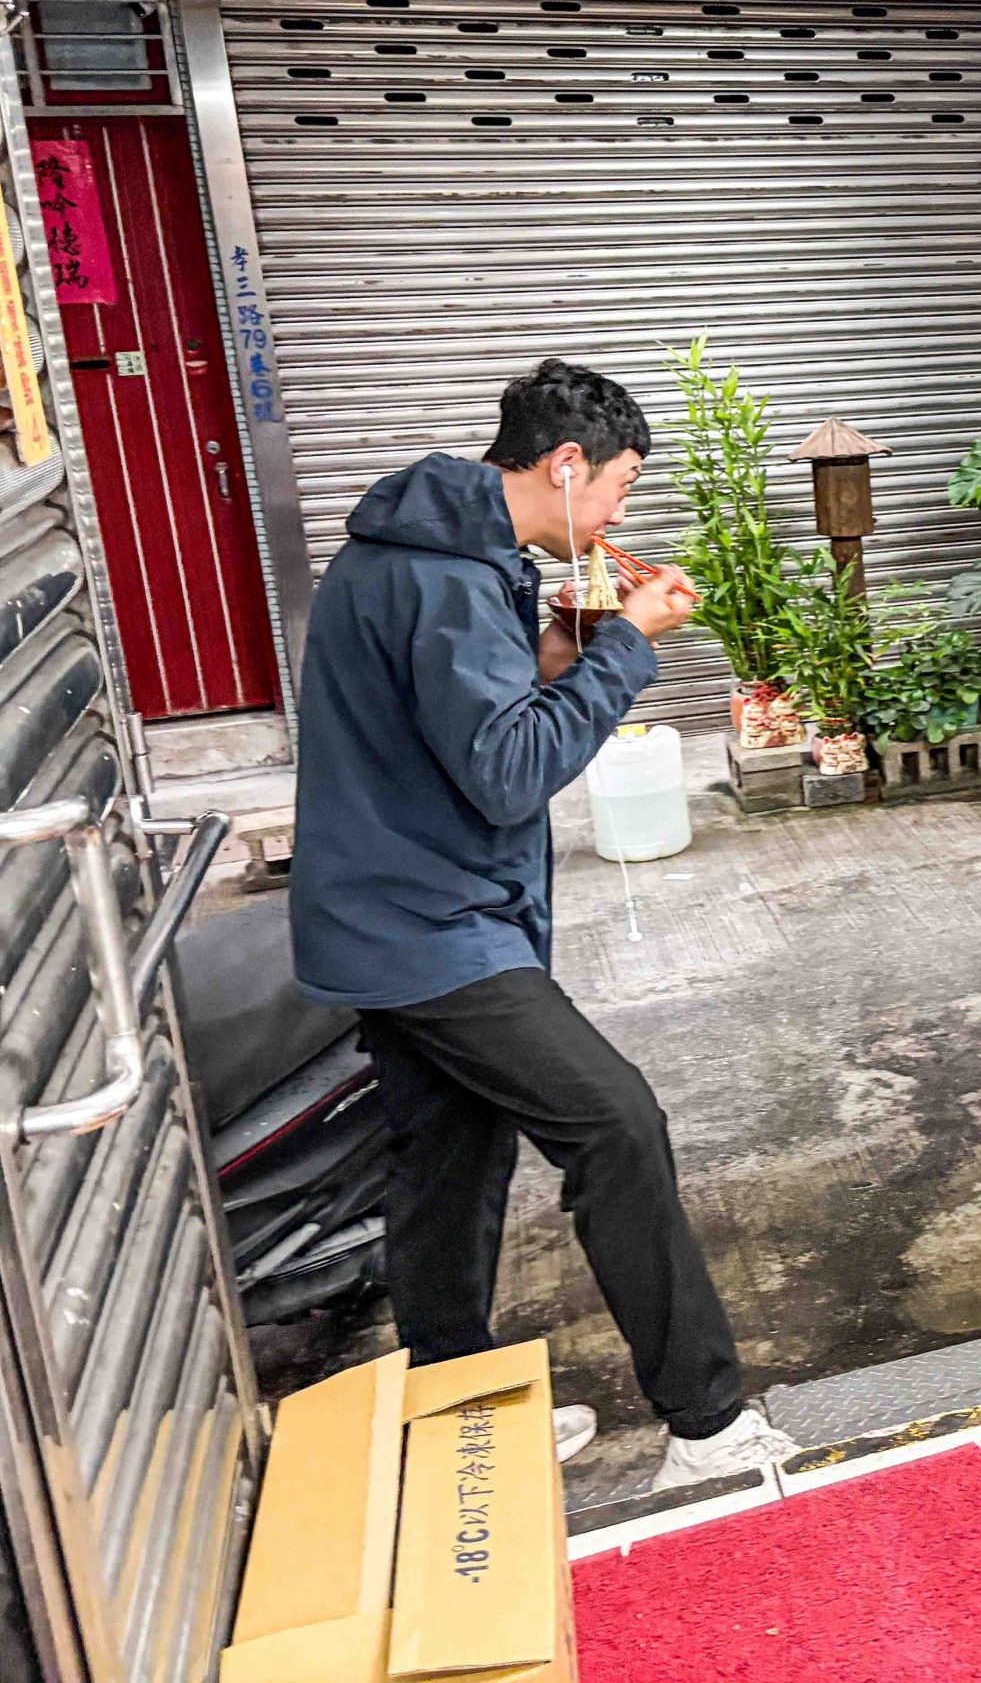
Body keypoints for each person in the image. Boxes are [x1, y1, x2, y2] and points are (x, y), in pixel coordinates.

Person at [289, 358, 799, 1490]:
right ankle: (710, 1427)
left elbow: (459, 720)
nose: (621, 511)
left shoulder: (423, 548)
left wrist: (561, 650)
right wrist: (625, 647)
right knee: (614, 1123)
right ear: (564, 466)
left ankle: (450, 1404)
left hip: (385, 911)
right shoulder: (452, 580)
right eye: (618, 483)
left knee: (448, 1159)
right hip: (429, 925)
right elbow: (510, 771)